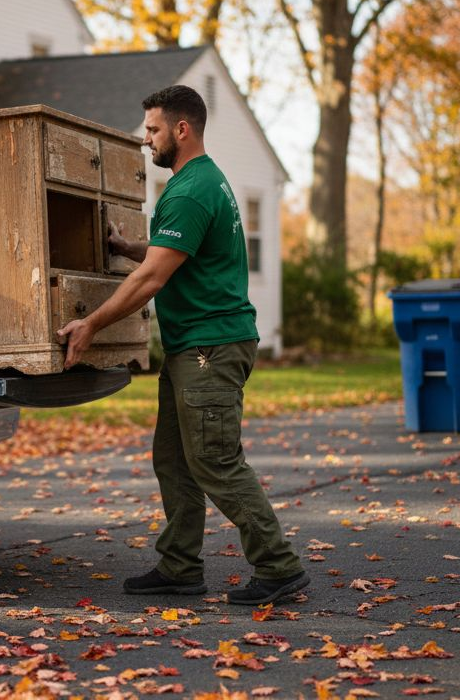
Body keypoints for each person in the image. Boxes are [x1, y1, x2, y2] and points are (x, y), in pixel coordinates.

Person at [56, 85, 308, 606]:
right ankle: (180, 567)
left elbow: (152, 279)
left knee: (215, 459)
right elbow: (171, 248)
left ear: (181, 129)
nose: (146, 139)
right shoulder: (200, 182)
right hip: (193, 346)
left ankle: (278, 565)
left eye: (152, 129)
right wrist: (128, 245)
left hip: (209, 348)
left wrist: (92, 324)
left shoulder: (191, 188)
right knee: (173, 459)